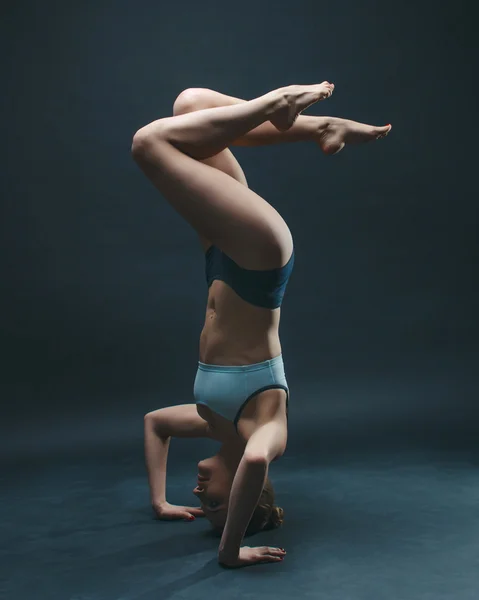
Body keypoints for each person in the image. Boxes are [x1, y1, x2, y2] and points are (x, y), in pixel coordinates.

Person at [133, 82, 391, 568]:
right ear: (250, 493)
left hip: (219, 257)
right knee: (151, 144)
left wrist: (159, 501)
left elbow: (155, 424)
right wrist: (230, 552)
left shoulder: (212, 419)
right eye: (214, 502)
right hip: (259, 262)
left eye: (199, 502)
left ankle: (320, 127)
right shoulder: (266, 434)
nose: (198, 491)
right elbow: (254, 463)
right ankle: (280, 107)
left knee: (190, 106)